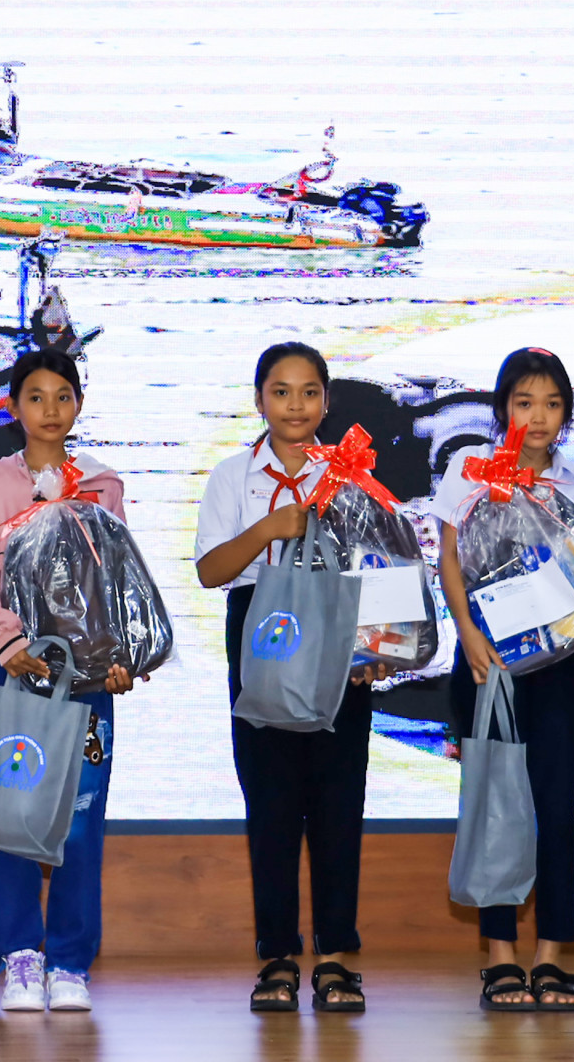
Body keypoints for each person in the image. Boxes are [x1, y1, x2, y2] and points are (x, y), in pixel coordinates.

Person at [432, 348, 574, 1011]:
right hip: (487, 661)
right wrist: (468, 635)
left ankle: (551, 955)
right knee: (495, 807)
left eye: (550, 404)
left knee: (553, 808)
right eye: (523, 402)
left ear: (566, 413)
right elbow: (449, 559)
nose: (537, 417)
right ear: (501, 409)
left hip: (564, 668)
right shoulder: (470, 471)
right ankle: (500, 958)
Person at [0, 349, 138, 1014]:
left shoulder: (104, 487)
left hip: (84, 688)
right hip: (7, 683)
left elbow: (120, 586)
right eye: (36, 397)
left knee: (81, 827)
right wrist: (10, 643)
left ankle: (69, 963)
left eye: (63, 396)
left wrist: (120, 657)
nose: (50, 409)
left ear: (78, 405)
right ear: (13, 408)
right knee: (14, 824)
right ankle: (21, 959)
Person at [193, 342, 370, 1013]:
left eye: (308, 392)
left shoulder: (352, 479)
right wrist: (270, 525)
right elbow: (211, 572)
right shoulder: (233, 478)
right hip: (261, 632)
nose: (295, 406)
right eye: (280, 391)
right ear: (259, 398)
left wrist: (377, 645)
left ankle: (333, 958)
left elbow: (378, 571)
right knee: (270, 808)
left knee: (336, 805)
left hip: (339, 643)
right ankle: (276, 958)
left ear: (326, 400)